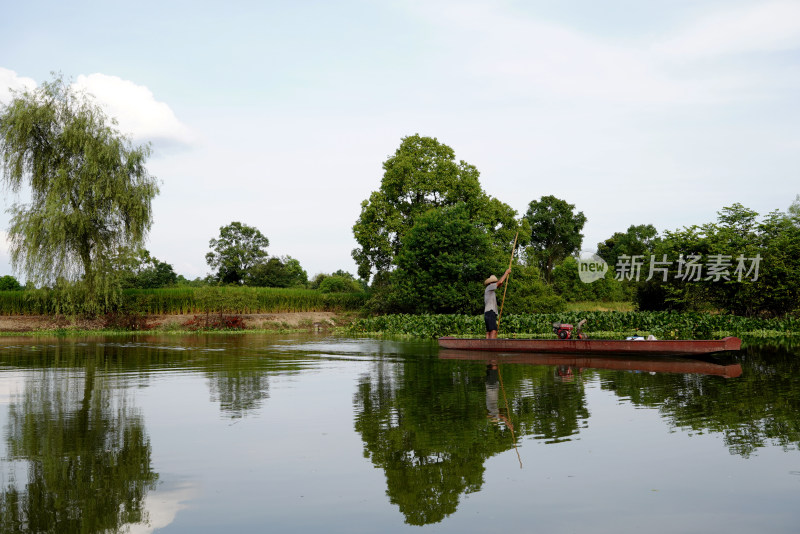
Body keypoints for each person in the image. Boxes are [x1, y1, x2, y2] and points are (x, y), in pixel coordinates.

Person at [484, 268, 511, 339]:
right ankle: (492, 345)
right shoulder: (490, 287)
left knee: (489, 331)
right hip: (490, 312)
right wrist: (506, 272)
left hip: (488, 313)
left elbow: (500, 284)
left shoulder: (490, 290)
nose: (494, 284)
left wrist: (501, 282)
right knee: (493, 331)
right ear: (490, 283)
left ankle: (487, 345)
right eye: (493, 282)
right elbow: (500, 282)